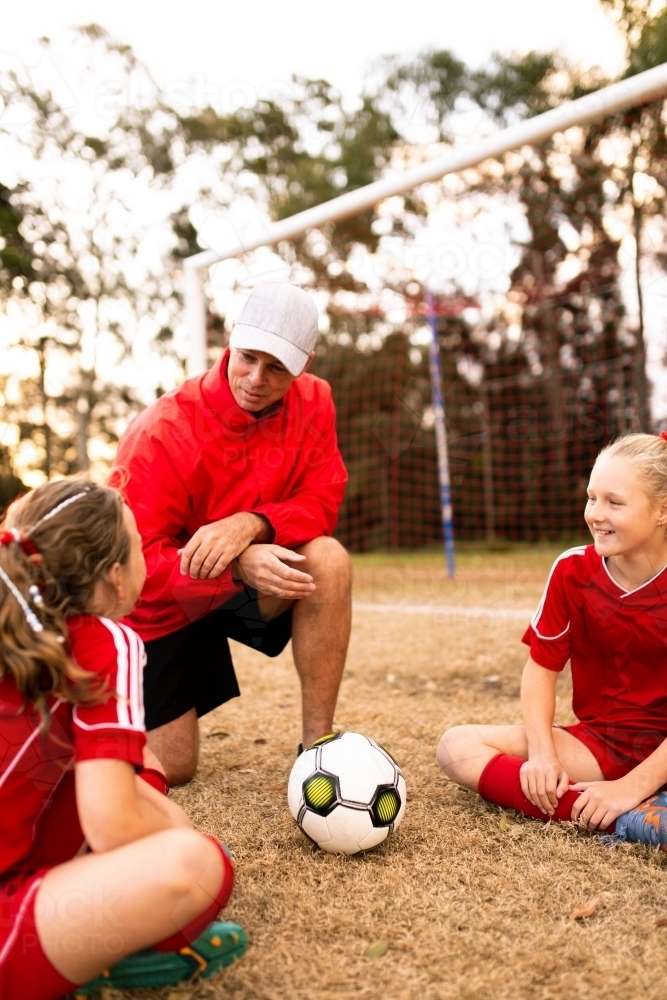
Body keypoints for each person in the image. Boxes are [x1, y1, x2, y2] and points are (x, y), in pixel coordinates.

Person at [0, 478, 247, 1000]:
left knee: (138, 774)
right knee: (199, 865)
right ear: (115, 574)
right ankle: (100, 956)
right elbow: (112, 824)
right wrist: (185, 835)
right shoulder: (101, 639)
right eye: (140, 545)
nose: (148, 555)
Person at [112, 282, 351, 786]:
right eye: (248, 357)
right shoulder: (161, 429)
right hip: (164, 602)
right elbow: (134, 563)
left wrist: (254, 525)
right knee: (173, 766)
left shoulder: (317, 402)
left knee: (328, 558)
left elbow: (323, 498)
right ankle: (78, 721)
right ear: (230, 335)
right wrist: (238, 561)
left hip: (248, 585)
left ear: (305, 362)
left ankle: (317, 751)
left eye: (278, 367)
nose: (256, 379)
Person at [437, 433, 667, 835]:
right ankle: (630, 820)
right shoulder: (572, 572)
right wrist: (542, 756)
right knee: (456, 749)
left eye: (614, 502)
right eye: (592, 497)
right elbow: (541, 669)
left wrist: (633, 785)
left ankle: (631, 802)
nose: (596, 513)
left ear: (662, 510)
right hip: (602, 745)